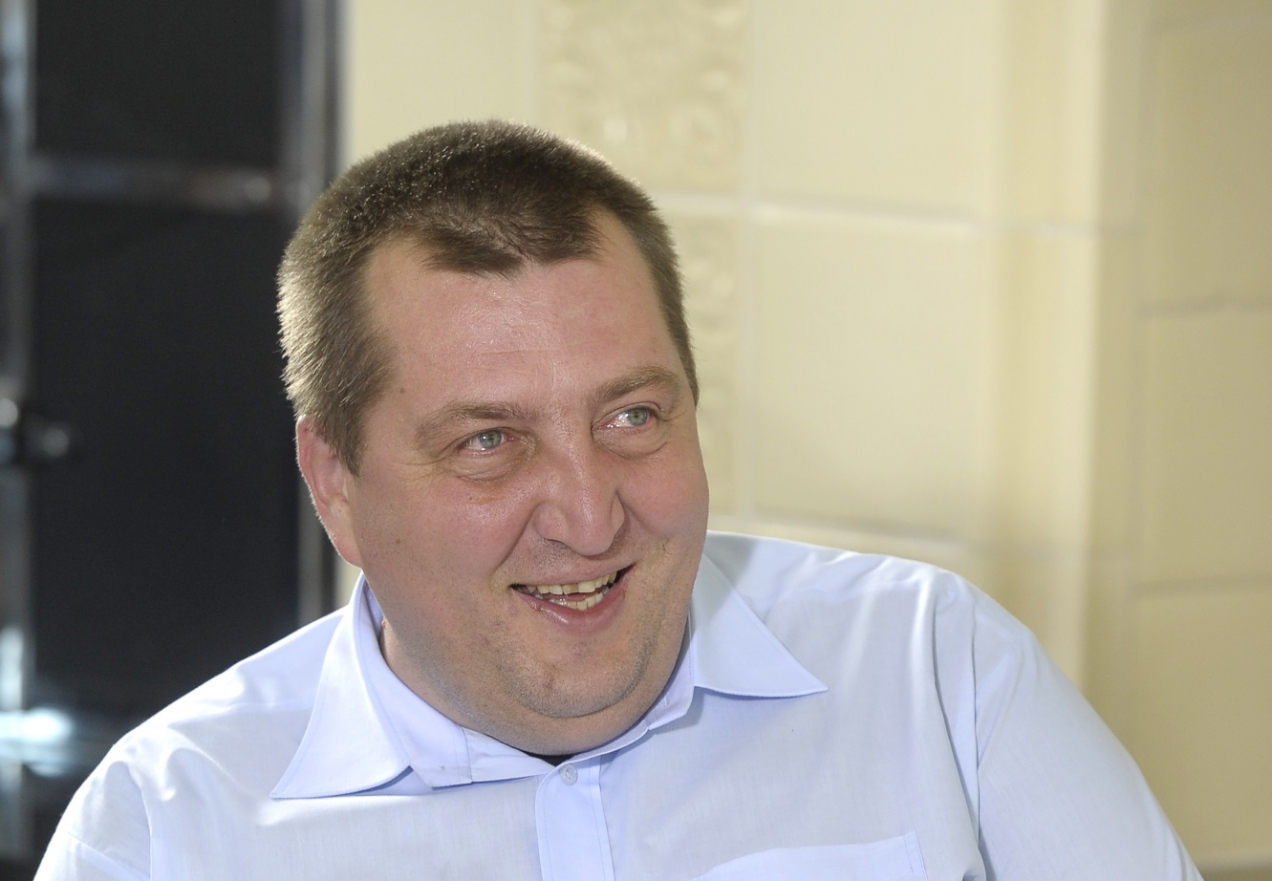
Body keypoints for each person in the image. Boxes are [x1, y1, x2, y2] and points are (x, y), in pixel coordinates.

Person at [36, 120, 1200, 880]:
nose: (590, 518)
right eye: (490, 442)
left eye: (632, 417)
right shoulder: (166, 828)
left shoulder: (937, 670)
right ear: (336, 481)